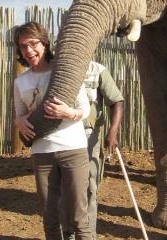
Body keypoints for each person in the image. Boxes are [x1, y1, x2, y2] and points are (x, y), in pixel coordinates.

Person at [13, 22, 92, 240]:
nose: (29, 50)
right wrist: (18, 121)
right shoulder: (21, 81)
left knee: (79, 217)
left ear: (44, 43)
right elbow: (20, 114)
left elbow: (85, 109)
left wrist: (69, 113)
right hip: (41, 153)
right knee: (49, 217)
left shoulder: (63, 71)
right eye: (22, 46)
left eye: (33, 43)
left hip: (73, 149)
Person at [61, 61, 124, 240]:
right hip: (62, 137)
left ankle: (88, 236)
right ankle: (69, 235)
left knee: (88, 188)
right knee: (64, 189)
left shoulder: (97, 71)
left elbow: (116, 101)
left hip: (88, 136)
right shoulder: (56, 68)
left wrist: (113, 131)